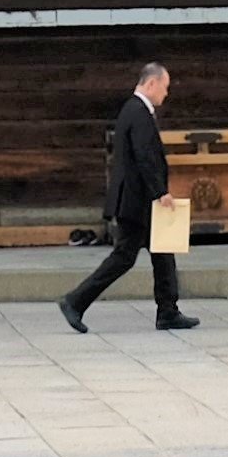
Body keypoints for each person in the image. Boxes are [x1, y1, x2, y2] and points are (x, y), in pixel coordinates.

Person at [60, 61, 194, 334]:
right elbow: (144, 157)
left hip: (140, 200)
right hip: (136, 201)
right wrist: (160, 192)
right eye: (164, 88)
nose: (166, 95)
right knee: (124, 257)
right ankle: (75, 300)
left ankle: (168, 310)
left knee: (163, 252)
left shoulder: (134, 111)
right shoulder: (138, 112)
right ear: (152, 83)